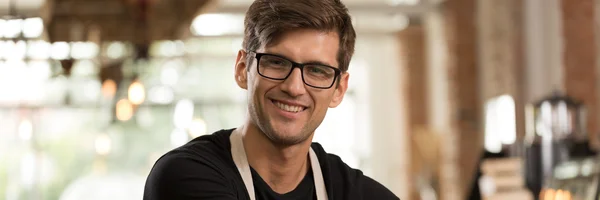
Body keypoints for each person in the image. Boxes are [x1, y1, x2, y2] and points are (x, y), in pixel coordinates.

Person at [143, 0, 400, 199]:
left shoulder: (358, 194)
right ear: (243, 69)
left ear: (339, 90)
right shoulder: (186, 176)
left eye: (317, 70)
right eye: (276, 62)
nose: (294, 87)